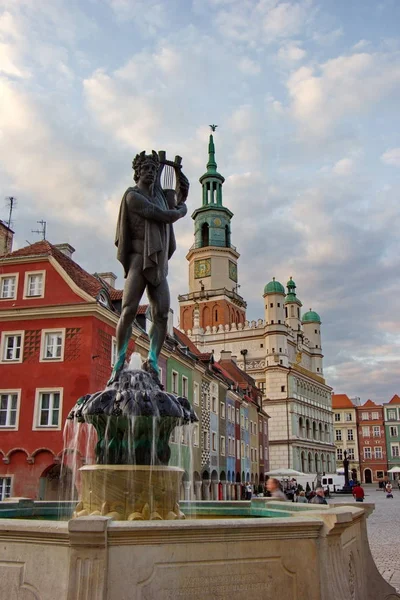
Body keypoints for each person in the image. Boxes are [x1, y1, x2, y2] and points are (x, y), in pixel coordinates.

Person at [109, 151, 188, 383]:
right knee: (128, 309)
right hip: (137, 258)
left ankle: (152, 359)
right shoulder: (132, 196)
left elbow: (181, 196)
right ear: (138, 172)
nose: (152, 173)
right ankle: (120, 360)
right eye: (147, 169)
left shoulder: (161, 195)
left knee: (162, 312)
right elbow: (161, 215)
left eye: (154, 170)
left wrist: (178, 174)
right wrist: (179, 213)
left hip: (157, 261)